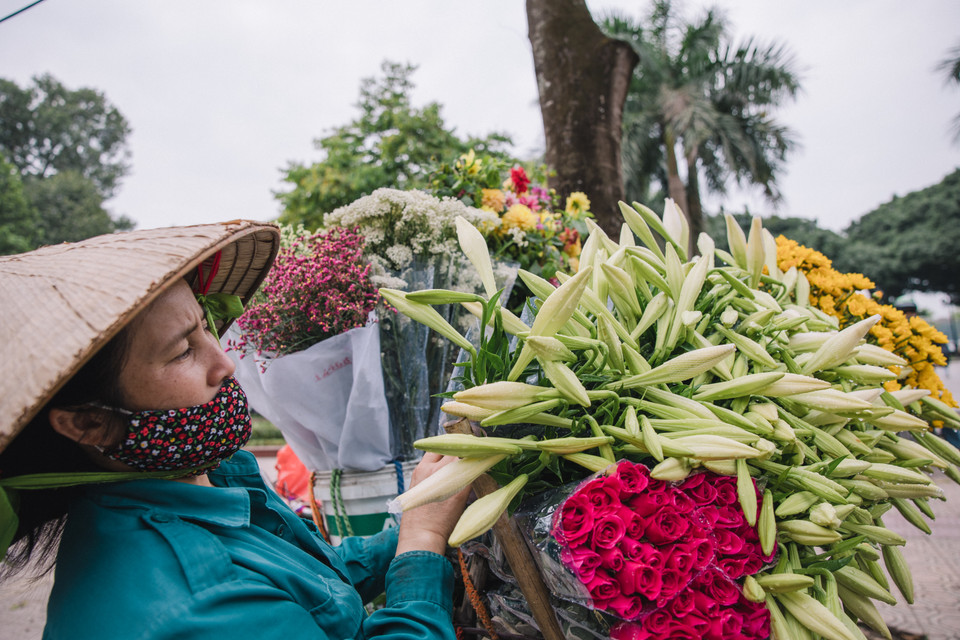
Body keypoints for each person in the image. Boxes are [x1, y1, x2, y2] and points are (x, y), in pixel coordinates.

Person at [0, 221, 469, 639]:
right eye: (183, 351)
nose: (224, 362)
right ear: (89, 423)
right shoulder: (198, 601)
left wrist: (416, 523)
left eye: (206, 325)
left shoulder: (197, 482)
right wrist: (420, 545)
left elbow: (313, 583)